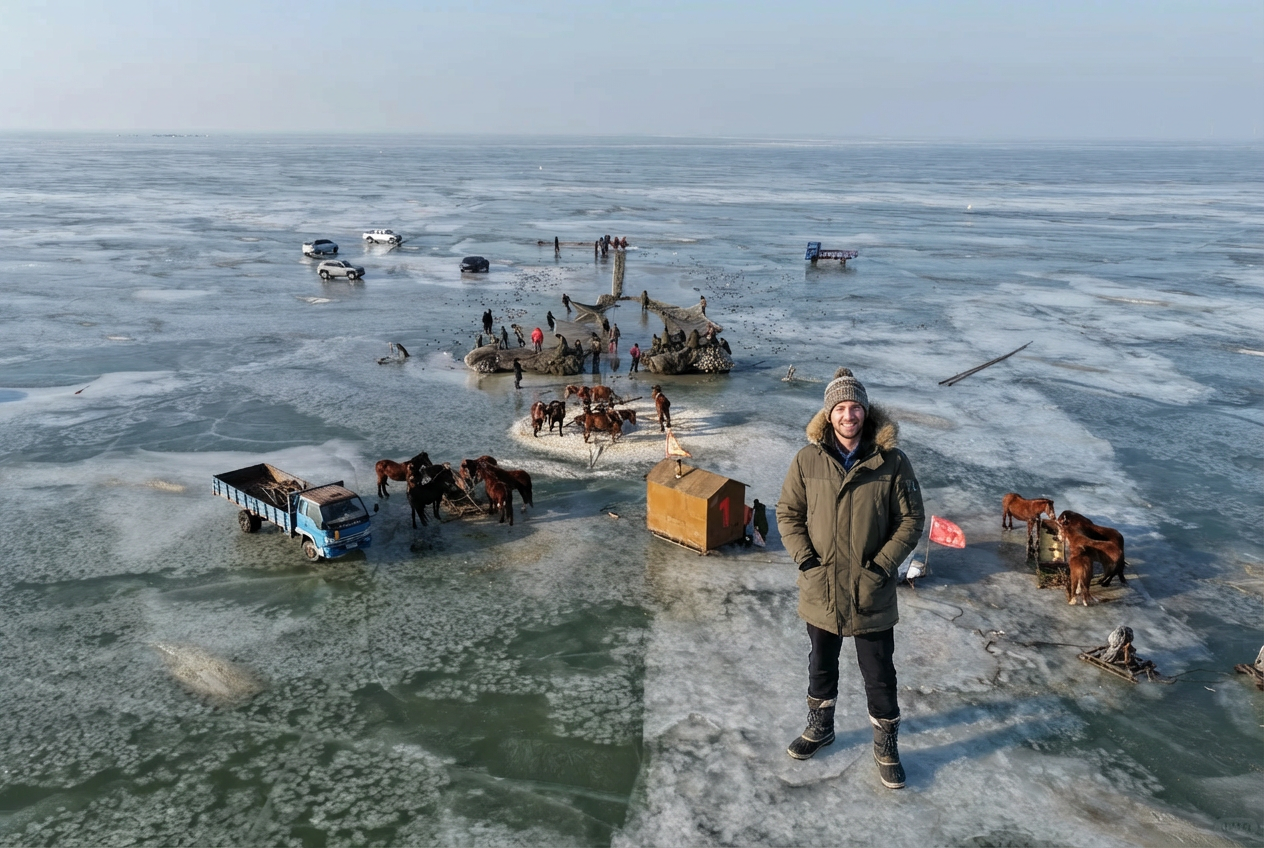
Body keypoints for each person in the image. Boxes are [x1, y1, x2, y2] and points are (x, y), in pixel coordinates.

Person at [775, 368, 924, 790]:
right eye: (839, 408)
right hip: (821, 588)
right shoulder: (807, 460)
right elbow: (788, 514)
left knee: (879, 673)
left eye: (854, 407)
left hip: (870, 589)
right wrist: (806, 562)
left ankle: (886, 745)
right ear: (828, 414)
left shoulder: (891, 462)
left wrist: (881, 567)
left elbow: (910, 520)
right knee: (820, 665)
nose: (848, 415)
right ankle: (820, 728)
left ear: (865, 411)